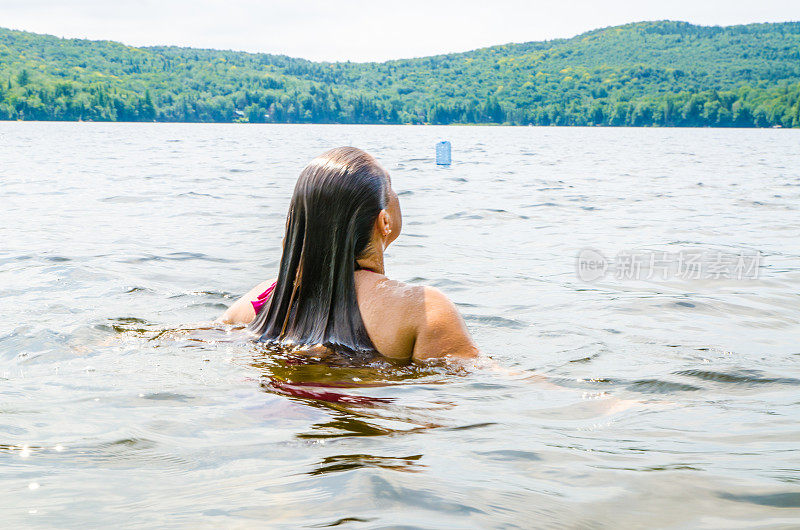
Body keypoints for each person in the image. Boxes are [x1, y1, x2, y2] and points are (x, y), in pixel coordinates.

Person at [218, 146, 478, 362]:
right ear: (384, 222)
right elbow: (470, 386)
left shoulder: (260, 303)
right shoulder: (421, 310)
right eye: (391, 186)